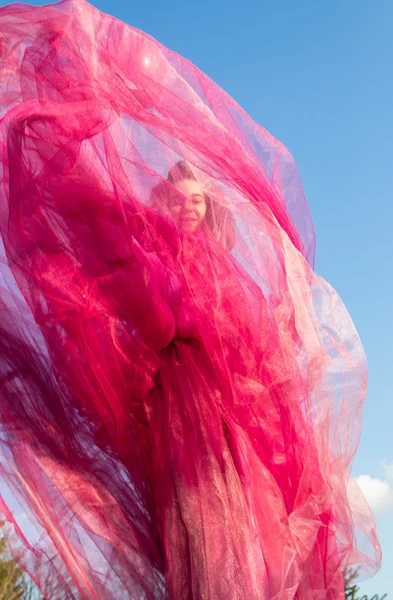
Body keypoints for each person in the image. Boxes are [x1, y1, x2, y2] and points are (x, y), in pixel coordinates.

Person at [0, 1, 380, 599]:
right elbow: (97, 239)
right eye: (175, 193)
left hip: (222, 422)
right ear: (162, 199)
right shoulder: (146, 254)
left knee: (238, 537)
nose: (185, 203)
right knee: (198, 538)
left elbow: (252, 351)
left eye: (196, 198)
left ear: (208, 209)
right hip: (176, 420)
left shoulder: (225, 275)